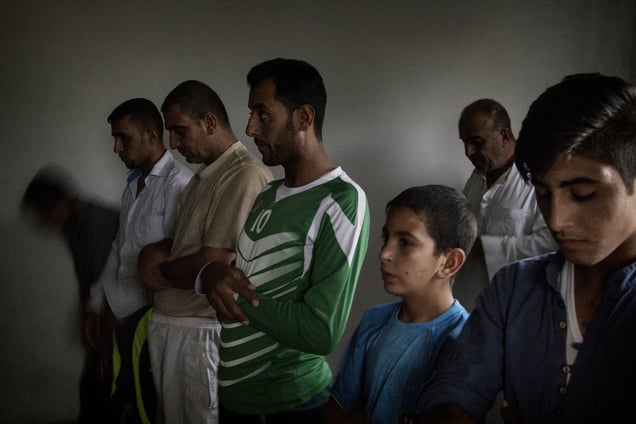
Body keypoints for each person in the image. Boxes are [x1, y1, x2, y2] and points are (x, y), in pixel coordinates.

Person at [410, 73, 636, 424]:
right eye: (543, 192)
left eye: (583, 193)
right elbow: (456, 388)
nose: (557, 219)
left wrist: (485, 249)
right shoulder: (513, 289)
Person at [197, 58, 370, 423]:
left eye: (263, 114)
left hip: (290, 404)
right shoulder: (267, 194)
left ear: (304, 118)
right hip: (234, 398)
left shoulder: (341, 200)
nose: (250, 127)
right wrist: (214, 274)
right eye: (251, 113)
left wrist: (227, 292)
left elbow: (321, 331)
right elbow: (247, 278)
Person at [137, 80, 273, 424]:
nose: (173, 143)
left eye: (180, 131)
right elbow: (189, 243)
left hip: (202, 331)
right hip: (177, 326)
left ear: (210, 122)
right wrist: (155, 250)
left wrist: (158, 271)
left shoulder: (244, 174)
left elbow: (215, 262)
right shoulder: (203, 178)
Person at [325, 185, 477, 424]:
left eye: (405, 242)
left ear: (449, 262)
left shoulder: (463, 340)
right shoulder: (373, 321)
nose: (384, 253)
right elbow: (340, 407)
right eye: (387, 238)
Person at [84, 98, 193, 423]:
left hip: (151, 320)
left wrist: (115, 315)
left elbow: (177, 260)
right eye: (115, 139)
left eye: (123, 138)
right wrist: (97, 305)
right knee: (120, 399)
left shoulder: (180, 186)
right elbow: (120, 250)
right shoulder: (133, 186)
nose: (117, 148)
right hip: (120, 316)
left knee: (146, 404)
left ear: (150, 136)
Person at [21, 164, 119, 424]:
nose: (44, 221)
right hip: (104, 318)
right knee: (95, 392)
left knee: (104, 392)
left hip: (122, 317)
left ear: (64, 200)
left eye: (45, 212)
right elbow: (88, 279)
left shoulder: (94, 223)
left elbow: (107, 283)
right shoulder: (72, 225)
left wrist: (101, 332)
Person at [453, 99, 556, 309]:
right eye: (464, 143)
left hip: (515, 307)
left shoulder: (538, 179)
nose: (468, 151)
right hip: (466, 302)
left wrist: (486, 248)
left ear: (505, 136)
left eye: (477, 142)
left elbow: (551, 244)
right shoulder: (476, 179)